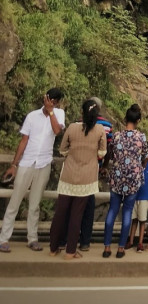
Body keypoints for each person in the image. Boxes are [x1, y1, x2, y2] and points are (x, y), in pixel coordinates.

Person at [0, 89, 65, 253]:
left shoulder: (59, 114)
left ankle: (32, 238)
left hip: (43, 163)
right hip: (27, 162)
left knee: (35, 204)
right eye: (50, 100)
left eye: (55, 101)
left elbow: (57, 131)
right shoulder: (32, 116)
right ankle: (3, 239)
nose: (52, 103)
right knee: (15, 201)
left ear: (57, 103)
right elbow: (24, 140)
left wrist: (51, 112)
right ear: (45, 98)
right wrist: (14, 165)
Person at [49, 99, 107, 259]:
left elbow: (62, 150)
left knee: (60, 212)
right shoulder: (100, 129)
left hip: (68, 174)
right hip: (87, 177)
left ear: (81, 112)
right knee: (77, 214)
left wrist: (73, 155)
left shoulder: (72, 127)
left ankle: (53, 248)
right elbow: (102, 153)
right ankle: (70, 251)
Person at [102, 104, 147, 259]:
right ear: (138, 120)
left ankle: (107, 247)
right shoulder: (141, 137)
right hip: (133, 179)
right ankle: (121, 248)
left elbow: (110, 153)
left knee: (112, 210)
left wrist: (105, 167)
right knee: (127, 212)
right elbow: (144, 157)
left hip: (117, 177)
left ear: (125, 118)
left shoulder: (116, 136)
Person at [78, 97, 113, 252]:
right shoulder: (106, 126)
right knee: (88, 205)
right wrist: (104, 165)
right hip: (93, 169)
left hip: (75, 169)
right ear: (99, 108)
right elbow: (108, 149)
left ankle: (66, 240)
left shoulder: (77, 124)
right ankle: (85, 241)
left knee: (72, 205)